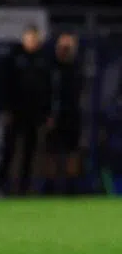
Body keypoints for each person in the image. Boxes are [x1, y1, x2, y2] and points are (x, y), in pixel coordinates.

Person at [0, 26, 51, 195]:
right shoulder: (14, 58)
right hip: (15, 111)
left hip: (34, 113)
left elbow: (47, 89)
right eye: (29, 38)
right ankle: (0, 184)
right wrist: (7, 109)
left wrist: (46, 112)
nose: (32, 42)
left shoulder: (43, 60)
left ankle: (24, 188)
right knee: (9, 149)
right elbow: (5, 85)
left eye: (35, 39)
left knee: (29, 151)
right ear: (24, 39)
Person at [47, 32, 83, 194]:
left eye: (68, 47)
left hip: (73, 116)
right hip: (54, 116)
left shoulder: (78, 67)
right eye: (62, 46)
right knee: (51, 152)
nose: (65, 50)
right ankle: (50, 188)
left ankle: (71, 187)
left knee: (72, 152)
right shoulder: (51, 67)